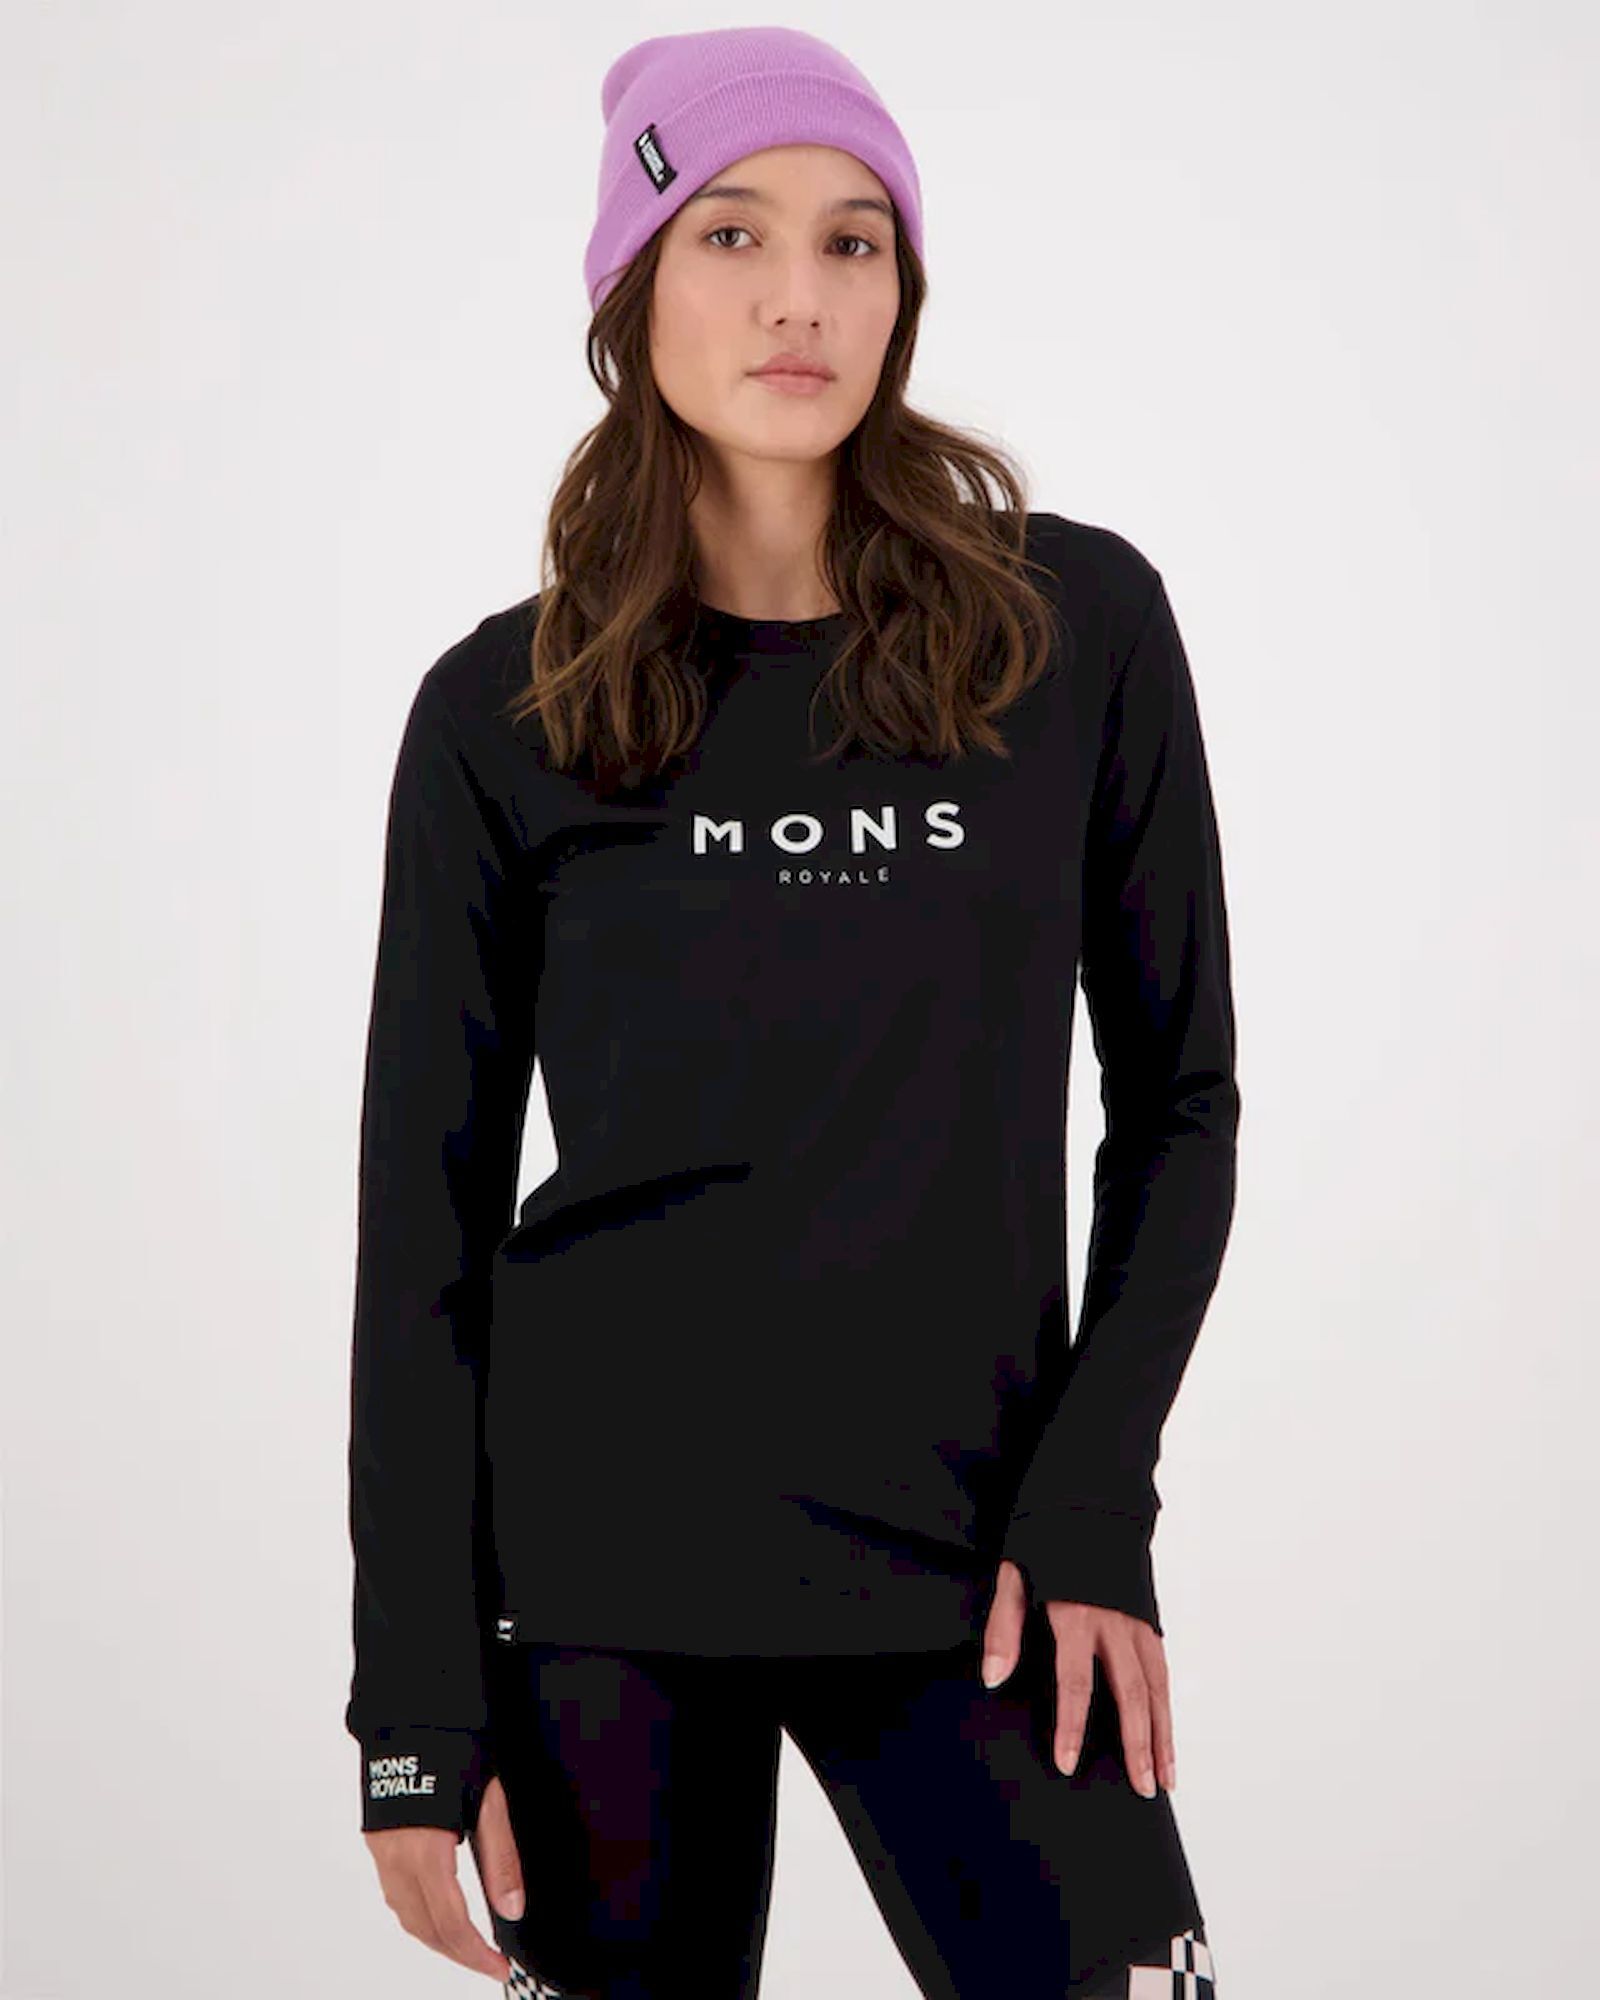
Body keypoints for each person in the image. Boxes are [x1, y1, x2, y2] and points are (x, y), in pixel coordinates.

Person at [345, 26, 1238, 2000]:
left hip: (987, 1567)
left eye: (853, 242)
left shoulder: (1070, 631)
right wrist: (412, 1702)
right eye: (731, 233)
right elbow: (423, 1235)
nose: (796, 297)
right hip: (600, 1581)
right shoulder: (501, 713)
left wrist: (1095, 1497)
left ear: (901, 292)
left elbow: (1180, 1097)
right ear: (633, 284)